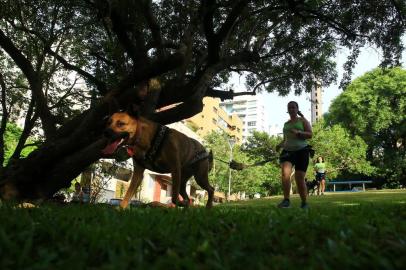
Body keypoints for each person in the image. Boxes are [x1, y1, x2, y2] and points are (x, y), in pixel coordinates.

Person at [276, 101, 312, 209]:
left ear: (297, 109)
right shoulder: (286, 124)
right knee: (285, 174)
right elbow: (286, 139)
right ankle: (286, 200)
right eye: (289, 107)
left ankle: (304, 202)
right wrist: (279, 145)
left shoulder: (302, 120)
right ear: (287, 110)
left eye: (293, 107)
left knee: (299, 178)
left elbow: (310, 134)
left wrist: (299, 133)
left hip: (302, 151)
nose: (291, 109)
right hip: (287, 151)